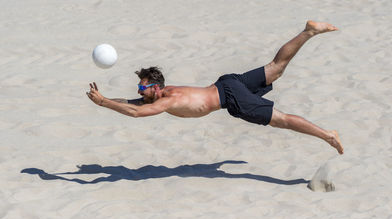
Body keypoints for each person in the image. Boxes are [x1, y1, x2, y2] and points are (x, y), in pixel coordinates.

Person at [87, 20, 344, 154]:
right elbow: (133, 104)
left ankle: (328, 135)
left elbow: (135, 112)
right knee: (276, 67)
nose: (139, 93)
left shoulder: (166, 101)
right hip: (227, 82)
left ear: (155, 87)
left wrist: (103, 103)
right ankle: (309, 31)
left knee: (281, 120)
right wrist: (107, 98)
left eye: (142, 88)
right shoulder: (165, 92)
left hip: (231, 96)